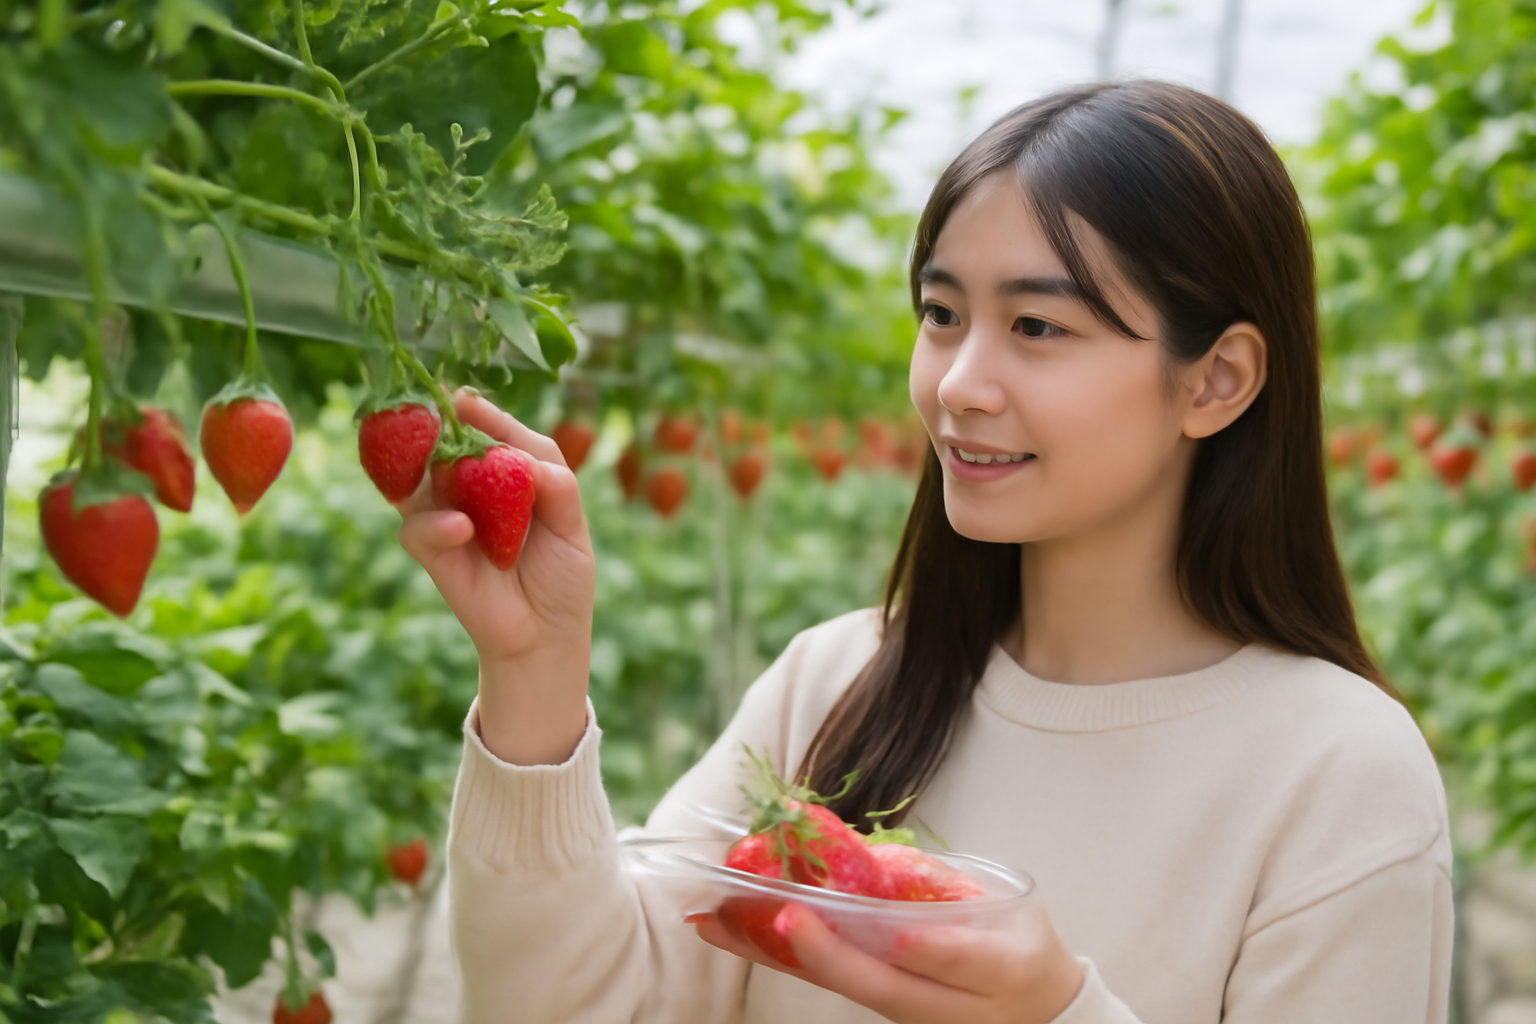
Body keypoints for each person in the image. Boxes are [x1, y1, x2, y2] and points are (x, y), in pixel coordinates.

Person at [397, 80, 1452, 1024]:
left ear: (1215, 381)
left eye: (1038, 327)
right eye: (942, 314)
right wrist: (533, 676)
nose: (958, 382)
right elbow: (574, 1009)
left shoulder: (1340, 773)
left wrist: (1056, 1014)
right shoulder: (835, 682)